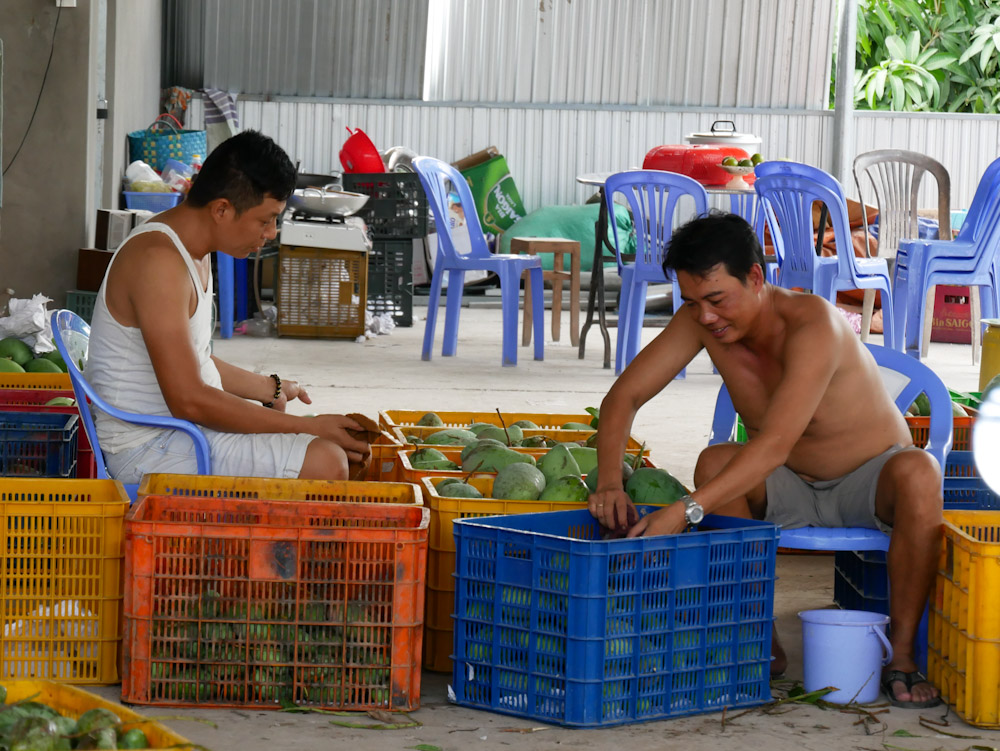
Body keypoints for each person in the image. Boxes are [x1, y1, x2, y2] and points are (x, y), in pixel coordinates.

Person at [588, 211, 943, 709]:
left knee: (921, 471)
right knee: (716, 463)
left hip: (869, 480)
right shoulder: (700, 321)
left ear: (755, 277)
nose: (706, 316)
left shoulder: (814, 323)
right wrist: (609, 482)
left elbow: (773, 442)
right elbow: (623, 397)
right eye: (692, 302)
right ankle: (756, 636)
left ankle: (901, 657)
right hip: (787, 482)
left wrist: (685, 510)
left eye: (716, 299)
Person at [86, 130, 370, 483]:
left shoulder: (190, 250)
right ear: (221, 209)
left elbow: (193, 358)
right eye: (266, 219)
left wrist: (272, 387)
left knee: (333, 450)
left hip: (182, 431)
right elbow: (189, 399)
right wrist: (304, 427)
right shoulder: (157, 262)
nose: (271, 232)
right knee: (327, 461)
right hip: (147, 449)